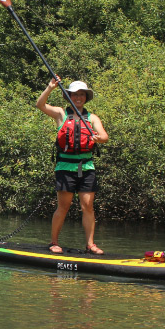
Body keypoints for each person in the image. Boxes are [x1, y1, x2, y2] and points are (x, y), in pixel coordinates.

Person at [36, 77, 109, 255]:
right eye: (74, 95)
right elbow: (40, 105)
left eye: (81, 95)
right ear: (69, 97)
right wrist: (49, 87)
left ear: (86, 97)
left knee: (88, 206)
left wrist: (99, 138)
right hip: (65, 167)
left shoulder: (92, 118)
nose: (78, 98)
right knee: (64, 206)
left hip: (86, 167)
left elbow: (104, 136)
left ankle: (90, 244)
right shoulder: (61, 114)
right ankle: (54, 242)